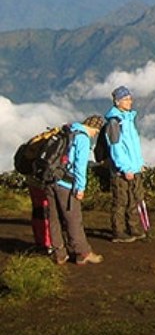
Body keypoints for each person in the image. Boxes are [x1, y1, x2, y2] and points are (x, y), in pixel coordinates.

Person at [47, 116, 106, 265]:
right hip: (66, 184)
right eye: (96, 131)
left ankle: (59, 253)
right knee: (73, 219)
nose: (95, 134)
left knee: (54, 218)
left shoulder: (67, 131)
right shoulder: (83, 138)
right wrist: (80, 188)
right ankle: (82, 253)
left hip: (50, 180)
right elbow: (80, 166)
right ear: (94, 128)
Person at [106, 86, 147, 243]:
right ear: (118, 102)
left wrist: (138, 164)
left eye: (130, 98)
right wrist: (125, 168)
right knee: (121, 200)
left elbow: (133, 146)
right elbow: (116, 148)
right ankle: (118, 231)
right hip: (121, 170)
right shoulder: (115, 123)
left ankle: (134, 228)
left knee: (134, 199)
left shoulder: (128, 119)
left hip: (133, 167)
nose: (131, 101)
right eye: (127, 99)